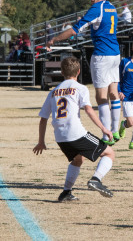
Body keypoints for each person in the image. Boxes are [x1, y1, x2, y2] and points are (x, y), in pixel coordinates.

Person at [46, 0, 121, 146]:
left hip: (102, 55)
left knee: (101, 97)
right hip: (115, 55)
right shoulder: (111, 7)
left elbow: (75, 30)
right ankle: (114, 131)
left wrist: (55, 39)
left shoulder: (97, 8)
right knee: (114, 94)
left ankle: (106, 134)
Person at [33, 56, 115, 201]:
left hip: (60, 137)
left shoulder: (53, 92)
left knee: (78, 159)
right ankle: (96, 179)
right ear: (78, 72)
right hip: (75, 134)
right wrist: (104, 128)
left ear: (62, 72)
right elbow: (89, 110)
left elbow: (43, 119)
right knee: (109, 153)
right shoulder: (80, 88)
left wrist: (41, 142)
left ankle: (66, 192)